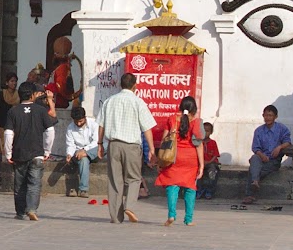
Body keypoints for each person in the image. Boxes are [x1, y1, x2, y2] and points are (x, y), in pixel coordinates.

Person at [98, 72, 156, 224]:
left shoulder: (109, 101)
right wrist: (151, 149)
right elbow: (147, 128)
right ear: (135, 86)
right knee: (134, 178)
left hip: (114, 145)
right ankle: (129, 206)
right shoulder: (138, 102)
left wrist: (99, 144)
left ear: (120, 85)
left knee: (115, 180)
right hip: (131, 145)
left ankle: (116, 217)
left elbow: (101, 125)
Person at [4, 81, 54, 221]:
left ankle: (20, 212)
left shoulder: (13, 111)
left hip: (19, 153)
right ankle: (32, 209)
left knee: (19, 184)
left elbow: (8, 134)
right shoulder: (41, 110)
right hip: (37, 153)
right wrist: (47, 150)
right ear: (33, 95)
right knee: (34, 183)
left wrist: (8, 153)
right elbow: (50, 131)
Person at [155, 96, 204, 226]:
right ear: (194, 109)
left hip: (173, 157)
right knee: (190, 188)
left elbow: (164, 140)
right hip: (191, 159)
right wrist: (202, 165)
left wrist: (160, 160)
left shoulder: (172, 119)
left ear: (180, 107)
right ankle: (188, 219)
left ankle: (171, 214)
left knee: (172, 185)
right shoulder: (197, 122)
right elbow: (199, 144)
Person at [244, 105, 292, 203]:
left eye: (270, 115)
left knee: (253, 170)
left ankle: (251, 193)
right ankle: (255, 182)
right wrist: (262, 155)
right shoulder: (259, 131)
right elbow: (255, 148)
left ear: (275, 116)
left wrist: (279, 147)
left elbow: (288, 142)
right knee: (255, 158)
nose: (268, 118)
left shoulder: (282, 128)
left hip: (273, 161)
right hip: (261, 158)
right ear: (263, 116)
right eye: (266, 115)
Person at [63, 105, 99, 199]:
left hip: (93, 151)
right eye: (76, 122)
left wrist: (85, 151)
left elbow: (96, 142)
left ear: (85, 118)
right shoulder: (70, 128)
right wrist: (69, 154)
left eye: (81, 121)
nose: (78, 124)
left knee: (105, 145)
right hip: (79, 154)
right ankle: (83, 189)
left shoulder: (94, 125)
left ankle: (85, 154)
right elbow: (70, 144)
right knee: (83, 160)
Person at [0, 72, 20, 154]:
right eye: (12, 81)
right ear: (7, 83)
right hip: (2, 124)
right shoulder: (1, 94)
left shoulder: (19, 94)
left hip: (15, 125)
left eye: (15, 81)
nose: (14, 83)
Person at [198, 122, 222, 199]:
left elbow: (215, 155)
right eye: (203, 130)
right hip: (200, 163)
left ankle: (209, 191)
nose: (205, 133)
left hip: (211, 163)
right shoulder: (198, 143)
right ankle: (198, 190)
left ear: (211, 132)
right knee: (196, 173)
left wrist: (208, 162)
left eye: (207, 131)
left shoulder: (213, 143)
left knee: (212, 172)